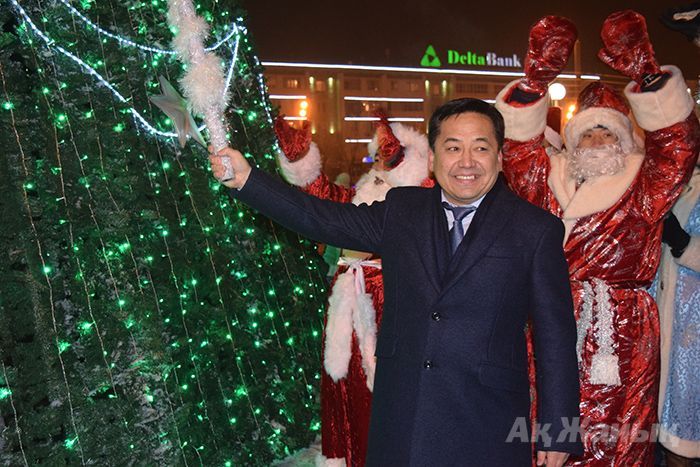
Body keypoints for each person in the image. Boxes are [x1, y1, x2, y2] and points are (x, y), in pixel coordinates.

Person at [210, 98, 583, 466]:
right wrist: (246, 179)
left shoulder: (534, 230)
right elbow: (324, 219)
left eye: (480, 148)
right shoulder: (404, 210)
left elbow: (556, 337)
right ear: (434, 159)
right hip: (405, 415)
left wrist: (560, 430)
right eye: (453, 148)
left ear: (499, 158)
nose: (466, 162)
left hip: (486, 422)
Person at [495, 12, 700, 466]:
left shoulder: (646, 184)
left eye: (608, 131)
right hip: (551, 318)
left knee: (619, 435)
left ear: (625, 140)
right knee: (545, 428)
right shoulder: (547, 181)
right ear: (571, 141)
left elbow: (679, 145)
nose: (598, 139)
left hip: (622, 329)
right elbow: (515, 150)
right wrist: (534, 82)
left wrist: (648, 76)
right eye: (588, 133)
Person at [273, 114, 431, 466]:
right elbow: (322, 199)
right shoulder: (360, 194)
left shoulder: (420, 197)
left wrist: (398, 161)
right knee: (342, 383)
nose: (379, 163)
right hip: (349, 299)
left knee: (377, 393)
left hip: (386, 304)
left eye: (388, 155)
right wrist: (300, 161)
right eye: (376, 156)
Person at [655, 5, 700, 465]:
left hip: (694, 331)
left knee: (684, 440)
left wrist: (684, 244)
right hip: (664, 321)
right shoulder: (668, 176)